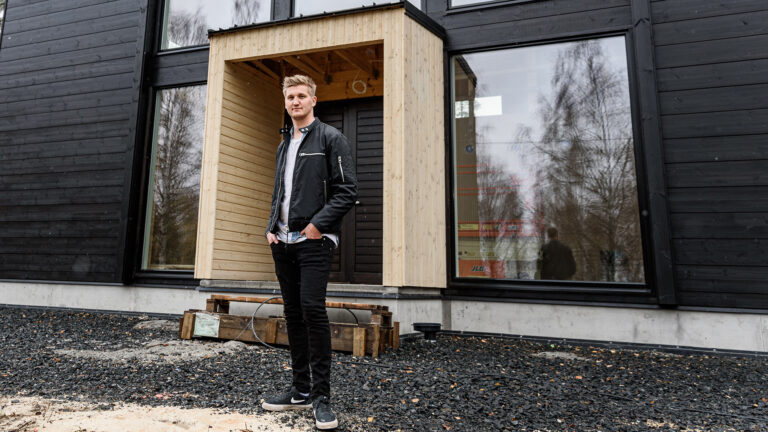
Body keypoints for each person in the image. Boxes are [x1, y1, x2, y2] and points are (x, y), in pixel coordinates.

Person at [260, 75, 357, 430]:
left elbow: (347, 191)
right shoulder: (284, 144)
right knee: (293, 314)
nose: (296, 101)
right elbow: (280, 192)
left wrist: (317, 226)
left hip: (314, 241)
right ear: (285, 102)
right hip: (282, 242)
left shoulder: (332, 138)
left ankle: (321, 398)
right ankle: (300, 390)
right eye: (290, 97)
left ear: (314, 100)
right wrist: (271, 226)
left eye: (302, 96)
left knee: (313, 311)